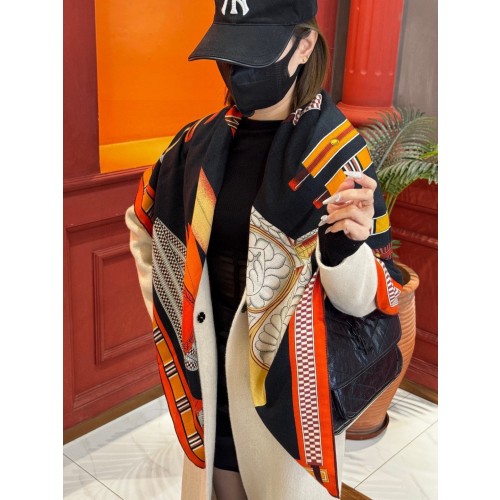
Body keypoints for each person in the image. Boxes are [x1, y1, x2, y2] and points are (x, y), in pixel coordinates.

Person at [125, 0, 403, 498]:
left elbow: (368, 302)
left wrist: (342, 254)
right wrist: (172, 307)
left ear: (304, 46)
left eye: (255, 52)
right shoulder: (194, 146)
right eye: (229, 53)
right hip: (208, 383)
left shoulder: (338, 159)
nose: (238, 70)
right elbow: (145, 226)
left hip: (291, 399)